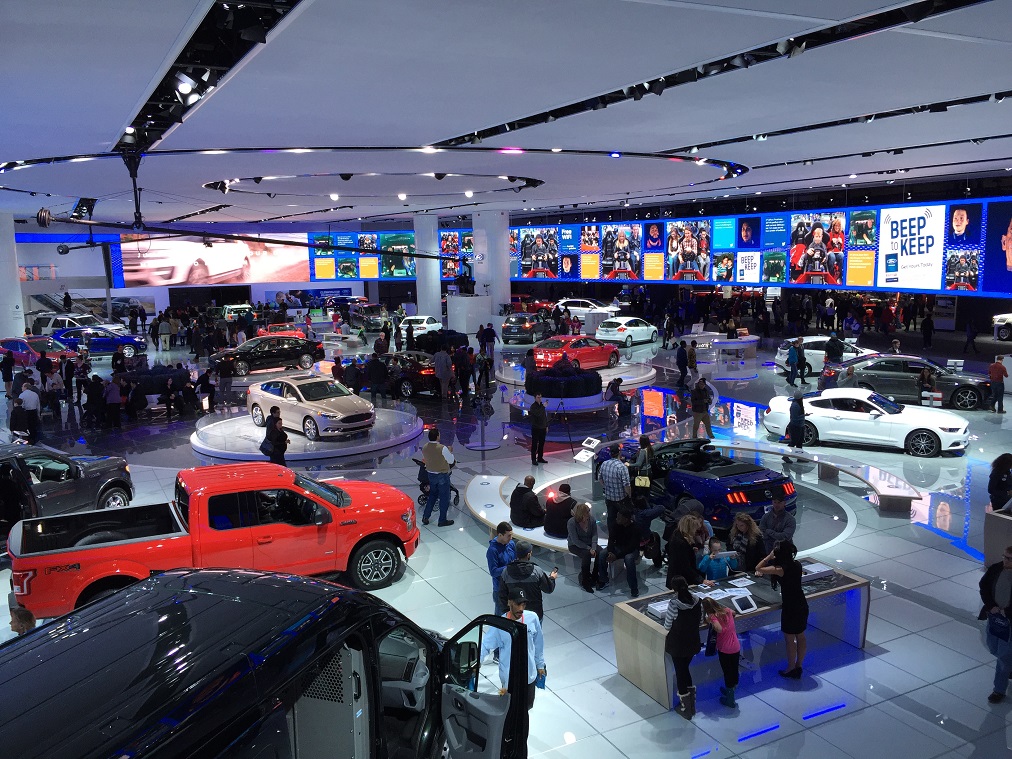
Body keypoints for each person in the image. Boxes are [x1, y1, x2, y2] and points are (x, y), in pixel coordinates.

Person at [479, 586, 545, 758]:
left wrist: (540, 664)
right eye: (517, 604)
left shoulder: (532, 618)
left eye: (523, 604)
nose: (521, 608)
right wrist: (474, 663)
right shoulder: (500, 624)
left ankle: (519, 746)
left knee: (524, 711)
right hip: (509, 682)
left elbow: (538, 643)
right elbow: (486, 645)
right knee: (510, 714)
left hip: (528, 678)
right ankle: (510, 746)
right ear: (509, 603)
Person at [755, 540, 808, 679]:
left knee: (790, 639)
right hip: (801, 603)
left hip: (790, 607)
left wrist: (769, 557)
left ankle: (790, 668)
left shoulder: (779, 569)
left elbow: (758, 568)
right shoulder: (797, 564)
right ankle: (798, 665)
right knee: (800, 636)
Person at [663, 576, 702, 719]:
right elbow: (700, 620)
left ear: (674, 589)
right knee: (684, 669)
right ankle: (691, 705)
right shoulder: (698, 600)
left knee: (681, 672)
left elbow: (667, 625)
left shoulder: (674, 604)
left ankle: (686, 708)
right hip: (693, 641)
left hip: (678, 644)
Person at [979, 546, 1012, 703]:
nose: (1005, 560)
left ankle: (999, 690)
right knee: (993, 647)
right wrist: (991, 605)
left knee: (1003, 656)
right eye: (1004, 556)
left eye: (1009, 558)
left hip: (1009, 621)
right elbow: (984, 586)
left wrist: (1008, 611)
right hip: (995, 617)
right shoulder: (996, 568)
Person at [498, 540, 557, 619]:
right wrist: (552, 578)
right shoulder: (537, 571)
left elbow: (502, 596)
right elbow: (548, 589)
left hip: (515, 616)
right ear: (529, 554)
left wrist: (508, 614)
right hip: (534, 614)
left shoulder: (506, 572)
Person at [701, 596, 741, 708]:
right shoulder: (727, 610)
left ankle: (730, 699)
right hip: (736, 646)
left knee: (727, 672)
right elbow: (734, 613)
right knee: (734, 669)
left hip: (725, 649)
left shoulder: (713, 617)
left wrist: (711, 620)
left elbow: (719, 629)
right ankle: (731, 689)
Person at [567, 502, 607, 592]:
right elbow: (575, 540)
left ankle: (595, 576)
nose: (589, 514)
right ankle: (585, 581)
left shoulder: (591, 520)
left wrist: (593, 547)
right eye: (587, 512)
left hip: (589, 543)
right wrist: (589, 549)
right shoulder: (572, 522)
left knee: (601, 553)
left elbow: (594, 535)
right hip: (575, 545)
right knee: (586, 555)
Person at [421, 428, 455, 526]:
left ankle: (425, 516)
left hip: (431, 475)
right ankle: (442, 520)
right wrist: (450, 451)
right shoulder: (442, 448)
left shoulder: (425, 447)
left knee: (432, 495)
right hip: (442, 475)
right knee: (444, 497)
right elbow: (451, 460)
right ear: (437, 436)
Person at [666, 513, 710, 588]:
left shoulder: (677, 534)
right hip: (681, 578)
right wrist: (700, 580)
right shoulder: (681, 542)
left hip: (676, 574)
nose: (696, 531)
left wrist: (690, 550)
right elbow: (684, 565)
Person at [606, 510, 641, 597]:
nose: (616, 519)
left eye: (619, 518)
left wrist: (616, 556)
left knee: (629, 559)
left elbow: (631, 547)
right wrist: (610, 552)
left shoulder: (636, 528)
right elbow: (611, 539)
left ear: (626, 519)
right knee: (603, 554)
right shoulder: (615, 525)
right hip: (618, 547)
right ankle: (603, 580)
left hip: (632, 550)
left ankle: (634, 588)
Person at [598, 443, 630, 533]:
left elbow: (600, 479)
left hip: (608, 497)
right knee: (624, 517)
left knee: (611, 517)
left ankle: (612, 533)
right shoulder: (622, 467)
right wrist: (629, 496)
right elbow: (626, 485)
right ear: (619, 452)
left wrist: (606, 487)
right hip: (621, 499)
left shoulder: (604, 464)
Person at [486, 521, 516, 615]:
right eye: (508, 536)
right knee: (500, 615)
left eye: (511, 535)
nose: (511, 538)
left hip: (512, 585)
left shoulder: (511, 544)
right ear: (500, 535)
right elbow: (493, 572)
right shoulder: (492, 551)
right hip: (500, 589)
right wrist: (509, 568)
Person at [783, 391, 806, 461]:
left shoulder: (798, 404)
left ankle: (799, 457)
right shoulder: (795, 406)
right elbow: (795, 418)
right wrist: (804, 416)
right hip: (795, 426)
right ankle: (785, 456)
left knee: (799, 442)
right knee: (794, 442)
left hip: (800, 426)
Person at [18, 378, 41, 443]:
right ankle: (34, 439)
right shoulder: (35, 394)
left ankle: (27, 440)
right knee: (33, 427)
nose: (21, 388)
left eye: (22, 386)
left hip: (26, 412)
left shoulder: (22, 395)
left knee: (26, 427)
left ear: (25, 387)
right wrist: (38, 414)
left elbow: (21, 405)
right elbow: (38, 405)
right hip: (34, 412)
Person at [528, 392, 548, 465]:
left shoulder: (542, 406)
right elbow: (538, 414)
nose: (539, 399)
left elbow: (544, 417)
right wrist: (543, 407)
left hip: (542, 428)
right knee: (534, 444)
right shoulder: (533, 407)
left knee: (541, 444)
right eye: (538, 397)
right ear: (535, 398)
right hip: (536, 428)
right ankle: (533, 459)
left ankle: (540, 457)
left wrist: (546, 426)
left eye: (540, 397)